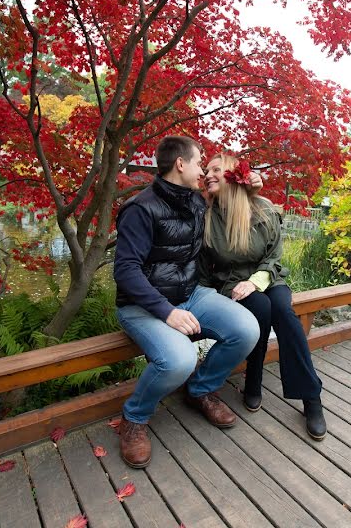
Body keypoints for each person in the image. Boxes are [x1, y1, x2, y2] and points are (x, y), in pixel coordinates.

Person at [113, 136, 261, 469]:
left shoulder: (196, 202)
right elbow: (125, 271)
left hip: (189, 295)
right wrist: (166, 312)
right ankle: (134, 418)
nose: (203, 170)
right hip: (143, 307)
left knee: (246, 328)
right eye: (198, 163)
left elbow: (231, 192)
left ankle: (200, 389)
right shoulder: (140, 208)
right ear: (180, 164)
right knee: (179, 358)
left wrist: (251, 182)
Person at [200, 153, 327, 440]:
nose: (208, 174)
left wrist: (255, 281)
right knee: (259, 308)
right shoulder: (206, 217)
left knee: (283, 312)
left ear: (235, 176)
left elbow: (275, 256)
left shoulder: (262, 209)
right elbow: (203, 268)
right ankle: (253, 380)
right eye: (206, 170)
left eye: (216, 170)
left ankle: (311, 397)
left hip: (267, 277)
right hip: (231, 284)